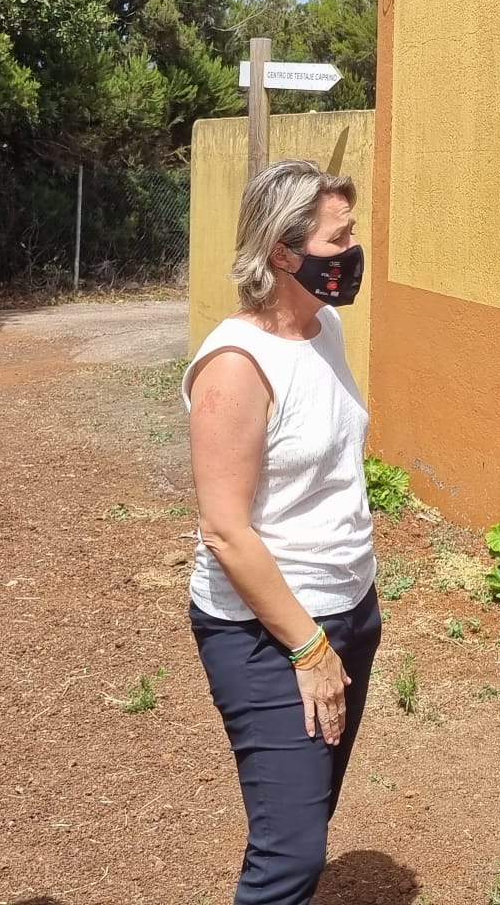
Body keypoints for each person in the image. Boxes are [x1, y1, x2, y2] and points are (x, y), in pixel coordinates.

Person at [185, 158, 379, 905]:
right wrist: (309, 647)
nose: (353, 251)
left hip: (349, 609)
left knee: (302, 816)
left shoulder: (323, 327)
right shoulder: (236, 365)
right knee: (292, 856)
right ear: (282, 253)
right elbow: (224, 529)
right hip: (267, 632)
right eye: (339, 237)